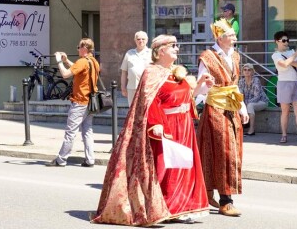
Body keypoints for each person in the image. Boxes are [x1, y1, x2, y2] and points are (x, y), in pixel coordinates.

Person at [92, 35, 211, 226]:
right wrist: (156, 124)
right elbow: (149, 101)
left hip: (184, 126)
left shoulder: (177, 72)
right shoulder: (151, 72)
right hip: (165, 126)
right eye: (173, 46)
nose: (177, 49)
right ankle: (162, 208)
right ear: (161, 50)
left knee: (182, 168)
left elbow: (186, 98)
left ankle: (179, 208)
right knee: (165, 169)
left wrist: (200, 86)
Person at [195, 18, 249, 217]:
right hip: (215, 109)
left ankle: (211, 192)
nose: (235, 37)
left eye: (234, 34)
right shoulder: (207, 57)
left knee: (230, 151)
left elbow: (235, 85)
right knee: (221, 151)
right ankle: (225, 200)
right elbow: (202, 84)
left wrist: (242, 106)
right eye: (231, 35)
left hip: (231, 108)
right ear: (220, 37)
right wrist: (194, 101)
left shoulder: (235, 56)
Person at [46, 38, 99, 167]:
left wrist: (59, 61)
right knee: (87, 130)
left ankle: (61, 159)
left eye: (79, 47)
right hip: (91, 101)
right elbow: (78, 69)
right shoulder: (93, 61)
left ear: (84, 49)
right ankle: (90, 159)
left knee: (71, 132)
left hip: (80, 101)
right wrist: (66, 61)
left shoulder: (82, 61)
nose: (77, 49)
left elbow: (65, 74)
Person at [271, 31, 297, 145]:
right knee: (285, 111)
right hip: (283, 83)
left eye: (287, 40)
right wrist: (293, 57)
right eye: (283, 40)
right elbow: (283, 65)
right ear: (277, 42)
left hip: (295, 82)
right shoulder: (275, 55)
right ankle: (284, 135)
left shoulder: (291, 51)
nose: (286, 42)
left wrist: (289, 60)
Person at [120, 31, 152, 105]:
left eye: (143, 39)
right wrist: (123, 87)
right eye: (138, 39)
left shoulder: (151, 53)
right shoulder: (129, 53)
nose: (141, 41)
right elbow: (124, 72)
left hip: (147, 88)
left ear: (147, 40)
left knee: (145, 109)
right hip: (132, 88)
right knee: (132, 110)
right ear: (135, 40)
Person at [238, 63, 269, 136]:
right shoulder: (241, 81)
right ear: (242, 72)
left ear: (252, 72)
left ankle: (251, 129)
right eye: (245, 70)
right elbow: (240, 95)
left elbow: (257, 97)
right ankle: (240, 128)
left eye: (249, 70)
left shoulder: (256, 80)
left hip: (261, 101)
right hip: (248, 103)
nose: (247, 71)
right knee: (238, 105)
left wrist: (245, 105)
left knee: (250, 105)